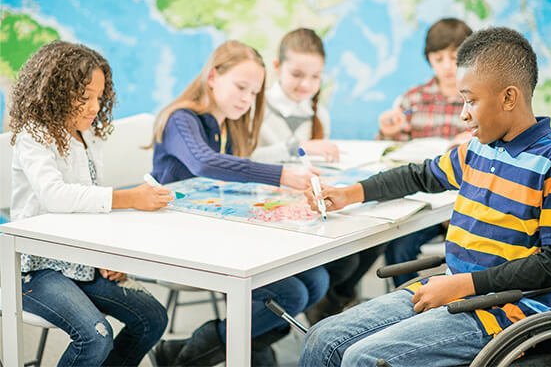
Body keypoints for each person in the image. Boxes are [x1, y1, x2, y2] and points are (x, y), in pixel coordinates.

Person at [298, 27, 551, 366]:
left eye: (471, 100)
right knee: (321, 339)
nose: (463, 113)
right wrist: (350, 193)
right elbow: (419, 175)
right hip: (452, 288)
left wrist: (465, 285)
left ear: (509, 98)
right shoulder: (477, 150)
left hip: (503, 313)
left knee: (363, 359)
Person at [150, 40, 329, 366]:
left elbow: (226, 185)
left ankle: (187, 351)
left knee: (317, 281)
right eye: (240, 87)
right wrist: (280, 175)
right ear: (213, 76)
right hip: (177, 235)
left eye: (254, 92)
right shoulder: (181, 119)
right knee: (292, 294)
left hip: (217, 229)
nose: (247, 99)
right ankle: (198, 356)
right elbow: (206, 164)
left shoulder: (228, 126)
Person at [9, 40, 170, 366]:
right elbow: (55, 196)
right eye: (84, 98)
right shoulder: (34, 135)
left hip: (79, 260)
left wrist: (106, 255)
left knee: (152, 317)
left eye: (99, 97)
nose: (95, 107)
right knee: (96, 335)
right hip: (35, 269)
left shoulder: (88, 136)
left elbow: (89, 206)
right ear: (55, 92)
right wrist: (129, 198)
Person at [378, 18, 473, 286]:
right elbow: (391, 155)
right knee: (398, 250)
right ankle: (410, 308)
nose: (446, 66)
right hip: (423, 201)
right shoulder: (414, 99)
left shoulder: (477, 99)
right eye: (438, 58)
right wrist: (388, 132)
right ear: (429, 59)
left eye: (454, 58)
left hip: (465, 202)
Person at [251, 27, 339, 163]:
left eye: (315, 76)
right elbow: (242, 158)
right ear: (277, 66)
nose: (306, 85)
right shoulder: (254, 107)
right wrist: (295, 147)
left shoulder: (321, 115)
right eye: (297, 74)